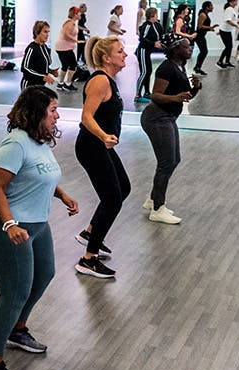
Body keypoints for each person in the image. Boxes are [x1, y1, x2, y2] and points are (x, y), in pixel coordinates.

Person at [0, 85, 78, 370]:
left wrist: (60, 194)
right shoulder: (16, 144)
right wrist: (9, 224)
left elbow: (40, 175)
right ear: (36, 113)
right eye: (52, 111)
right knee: (13, 293)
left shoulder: (39, 141)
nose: (57, 115)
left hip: (37, 224)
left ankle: (17, 330)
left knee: (44, 275)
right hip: (9, 229)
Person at [73, 36, 130, 279]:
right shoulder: (99, 81)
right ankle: (89, 259)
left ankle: (90, 232)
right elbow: (86, 117)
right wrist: (104, 135)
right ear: (107, 58)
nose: (125, 55)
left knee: (123, 188)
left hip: (101, 146)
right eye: (120, 51)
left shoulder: (110, 81)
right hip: (91, 146)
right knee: (112, 199)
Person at [140, 34, 201, 226]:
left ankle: (152, 199)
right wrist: (175, 98)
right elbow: (156, 95)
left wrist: (196, 87)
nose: (190, 49)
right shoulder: (167, 68)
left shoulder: (180, 67)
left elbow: (185, 96)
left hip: (166, 117)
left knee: (174, 159)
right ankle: (158, 209)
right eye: (187, 46)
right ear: (176, 50)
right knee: (166, 162)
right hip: (157, 118)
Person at [22, 21, 60, 91]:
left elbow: (39, 66)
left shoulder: (45, 48)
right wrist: (43, 77)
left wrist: (51, 71)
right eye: (45, 32)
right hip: (29, 85)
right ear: (37, 32)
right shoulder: (31, 48)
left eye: (48, 32)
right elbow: (25, 68)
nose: (47, 35)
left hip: (41, 85)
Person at [136, 9, 162, 101]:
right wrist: (153, 44)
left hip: (148, 51)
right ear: (152, 15)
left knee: (149, 71)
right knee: (144, 72)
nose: (157, 16)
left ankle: (147, 93)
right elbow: (142, 39)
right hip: (143, 50)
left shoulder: (155, 25)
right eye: (156, 14)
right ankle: (137, 95)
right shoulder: (146, 25)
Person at [55, 7, 81, 91]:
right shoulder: (70, 23)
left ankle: (60, 83)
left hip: (62, 47)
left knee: (65, 66)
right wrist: (76, 41)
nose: (80, 14)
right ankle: (68, 84)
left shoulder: (72, 22)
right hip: (64, 48)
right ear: (75, 14)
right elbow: (66, 34)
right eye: (79, 13)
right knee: (73, 65)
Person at [193, 3, 214, 75]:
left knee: (204, 51)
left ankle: (197, 67)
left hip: (201, 35)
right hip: (199, 36)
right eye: (211, 6)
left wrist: (210, 29)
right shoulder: (203, 15)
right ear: (207, 7)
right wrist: (210, 27)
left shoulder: (205, 14)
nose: (212, 7)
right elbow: (199, 27)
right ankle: (197, 68)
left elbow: (203, 26)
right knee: (204, 51)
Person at [218, 0, 239, 68]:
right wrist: (237, 26)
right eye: (235, 1)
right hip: (224, 31)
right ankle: (220, 61)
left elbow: (233, 20)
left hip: (227, 31)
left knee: (230, 47)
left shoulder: (232, 9)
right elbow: (228, 21)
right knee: (228, 47)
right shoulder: (229, 9)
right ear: (231, 2)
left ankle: (227, 62)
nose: (236, 2)